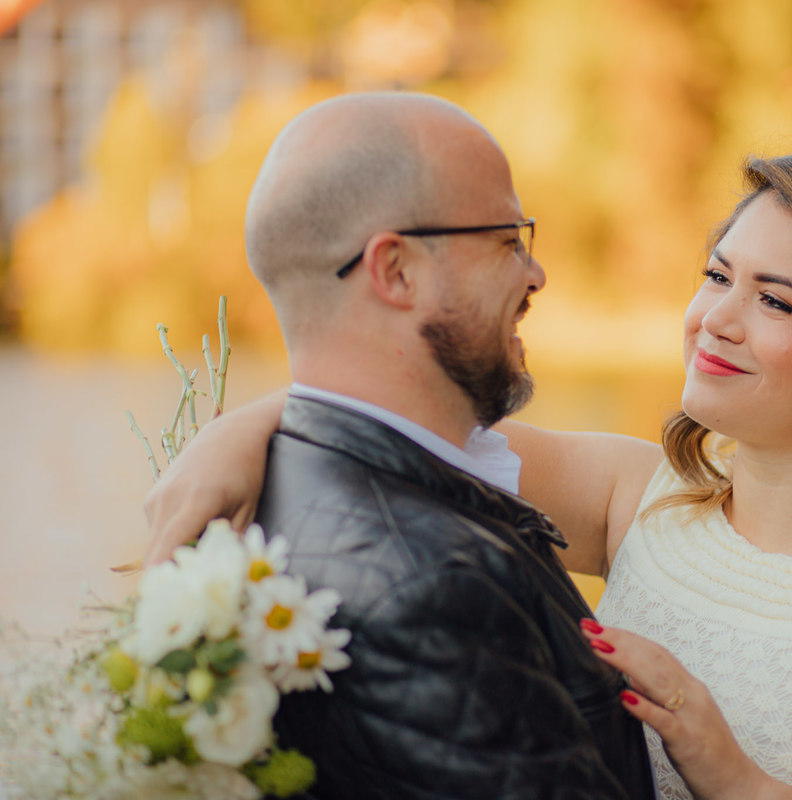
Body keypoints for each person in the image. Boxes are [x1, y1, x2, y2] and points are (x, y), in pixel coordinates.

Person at [145, 144, 792, 799]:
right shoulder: (641, 498)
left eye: (774, 300)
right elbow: (397, 431)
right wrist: (240, 434)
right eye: (717, 275)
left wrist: (735, 780)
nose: (716, 320)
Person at [187, 91, 657, 799]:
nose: (536, 274)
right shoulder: (437, 590)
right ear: (396, 270)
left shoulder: (282, 476)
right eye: (507, 238)